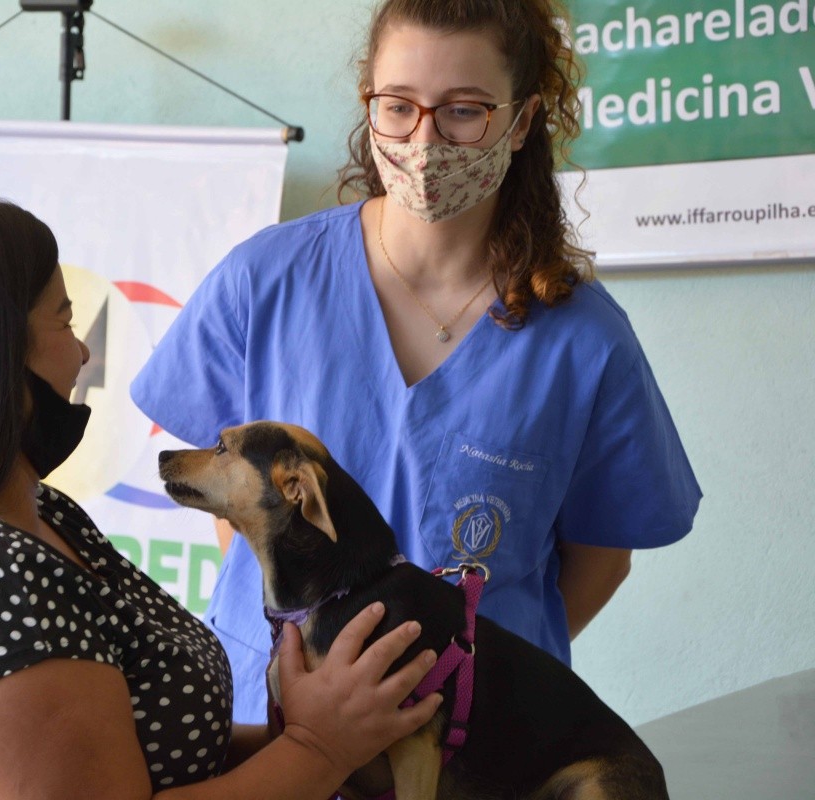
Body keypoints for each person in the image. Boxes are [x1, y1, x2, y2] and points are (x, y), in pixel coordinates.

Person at [131, 0, 701, 725]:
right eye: (398, 106)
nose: (425, 141)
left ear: (523, 122)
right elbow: (237, 501)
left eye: (464, 111)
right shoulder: (265, 281)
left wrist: (456, 668)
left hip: (473, 736)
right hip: (270, 720)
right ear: (370, 103)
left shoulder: (584, 339)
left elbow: (600, 559)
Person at [0, 196, 443, 800]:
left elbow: (159, 757)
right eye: (63, 319)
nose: (81, 352)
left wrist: (311, 734)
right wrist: (315, 749)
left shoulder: (47, 518)